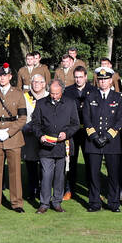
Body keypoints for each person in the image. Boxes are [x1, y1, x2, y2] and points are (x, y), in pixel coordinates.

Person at [0, 62, 28, 213]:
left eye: (5, 76)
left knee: (15, 173)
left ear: (10, 77)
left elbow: (22, 117)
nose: (2, 79)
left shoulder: (18, 93)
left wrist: (8, 132)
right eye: (0, 76)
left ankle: (17, 203)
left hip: (13, 137)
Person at [32, 79, 80, 213]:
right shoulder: (41, 103)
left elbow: (75, 124)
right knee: (46, 174)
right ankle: (44, 203)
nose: (54, 96)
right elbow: (35, 123)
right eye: (52, 93)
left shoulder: (70, 103)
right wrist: (40, 135)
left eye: (57, 93)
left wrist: (67, 134)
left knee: (60, 175)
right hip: (46, 145)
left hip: (62, 145)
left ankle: (57, 202)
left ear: (62, 91)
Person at [82, 67, 122, 211]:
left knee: (113, 174)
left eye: (105, 79)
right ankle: (94, 203)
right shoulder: (90, 96)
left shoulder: (118, 97)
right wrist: (94, 136)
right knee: (93, 174)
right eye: (100, 79)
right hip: (93, 142)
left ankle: (113, 203)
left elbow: (119, 120)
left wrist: (107, 136)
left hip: (111, 142)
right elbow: (86, 119)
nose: (103, 82)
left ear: (111, 80)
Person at [21, 73, 49, 203]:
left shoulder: (49, 96)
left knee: (45, 166)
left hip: (45, 136)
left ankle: (44, 191)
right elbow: (20, 116)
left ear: (44, 84)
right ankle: (32, 190)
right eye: (34, 82)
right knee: (31, 166)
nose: (36, 84)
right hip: (29, 137)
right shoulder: (25, 97)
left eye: (39, 82)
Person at [63, 65, 90, 200]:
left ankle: (92, 190)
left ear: (86, 77)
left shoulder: (93, 90)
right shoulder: (67, 91)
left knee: (90, 161)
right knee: (71, 162)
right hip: (72, 132)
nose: (78, 80)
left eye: (81, 77)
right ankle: (69, 189)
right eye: (76, 77)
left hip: (88, 132)